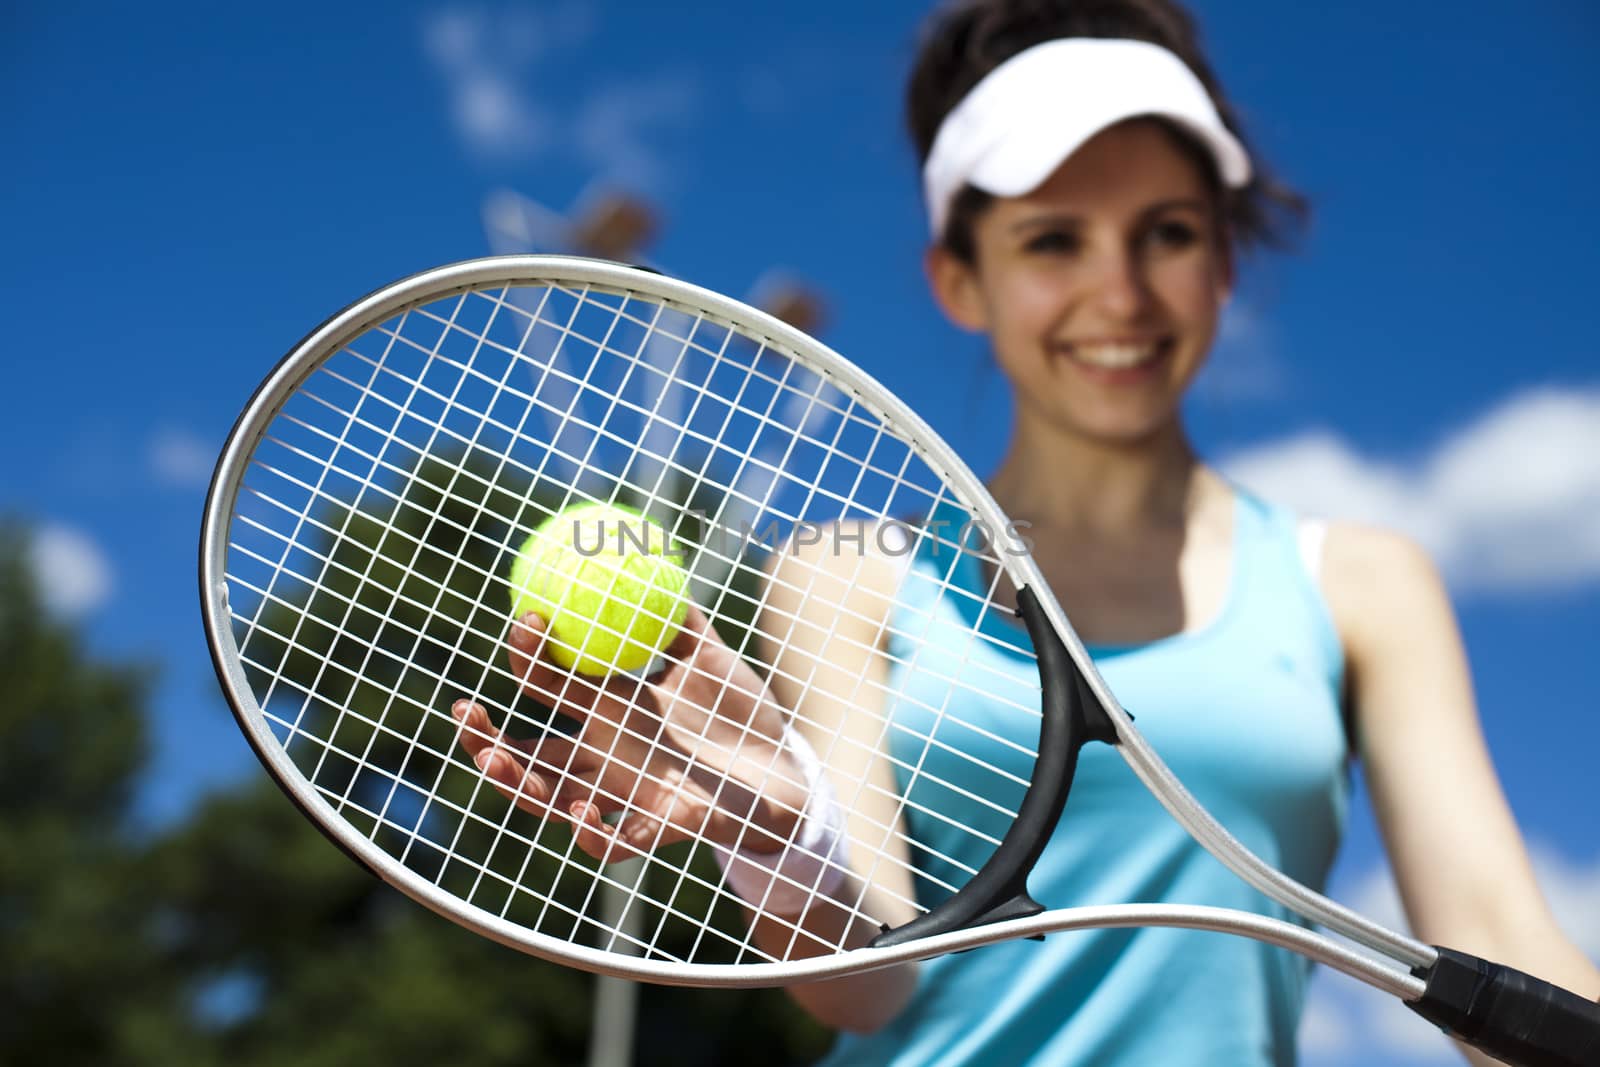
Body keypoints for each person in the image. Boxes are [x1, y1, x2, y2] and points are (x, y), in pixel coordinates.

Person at [453, 0, 1600, 1062]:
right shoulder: (843, 575)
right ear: (960, 277)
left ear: (1223, 257)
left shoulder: (1360, 581)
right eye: (1053, 240)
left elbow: (1495, 925)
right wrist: (779, 832)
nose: (1120, 292)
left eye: (1165, 233)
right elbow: (870, 981)